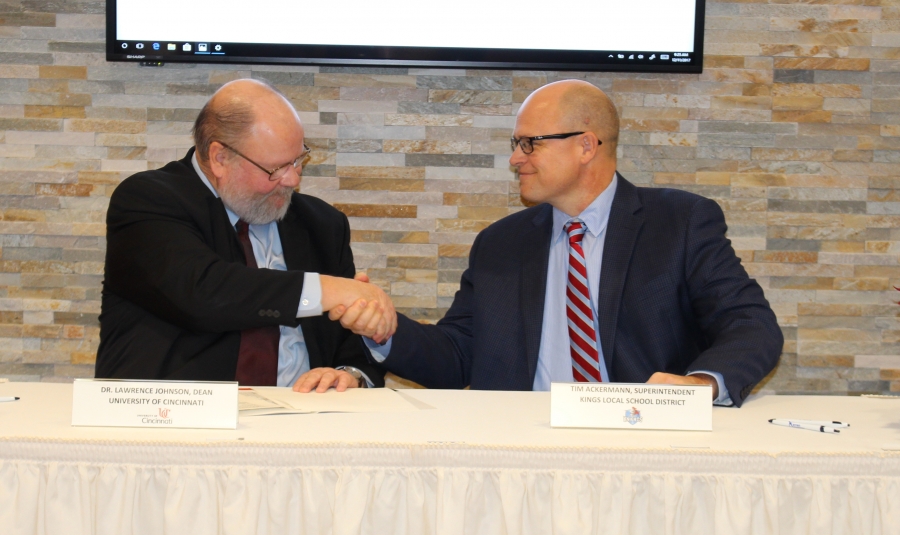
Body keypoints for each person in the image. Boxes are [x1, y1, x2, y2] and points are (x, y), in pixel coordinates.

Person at [334, 79, 783, 406]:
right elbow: (457, 357)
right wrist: (384, 328)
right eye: (516, 144)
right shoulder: (500, 243)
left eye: (530, 144)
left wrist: (702, 383)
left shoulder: (679, 222)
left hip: (641, 442)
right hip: (521, 451)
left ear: (586, 146)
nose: (515, 159)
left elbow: (750, 325)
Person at [95, 79, 394, 392]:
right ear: (220, 157)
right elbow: (203, 292)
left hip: (303, 419)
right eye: (276, 168)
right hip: (175, 423)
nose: (291, 179)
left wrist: (351, 373)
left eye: (298, 160)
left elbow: (351, 342)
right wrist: (327, 289)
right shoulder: (147, 200)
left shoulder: (322, 224)